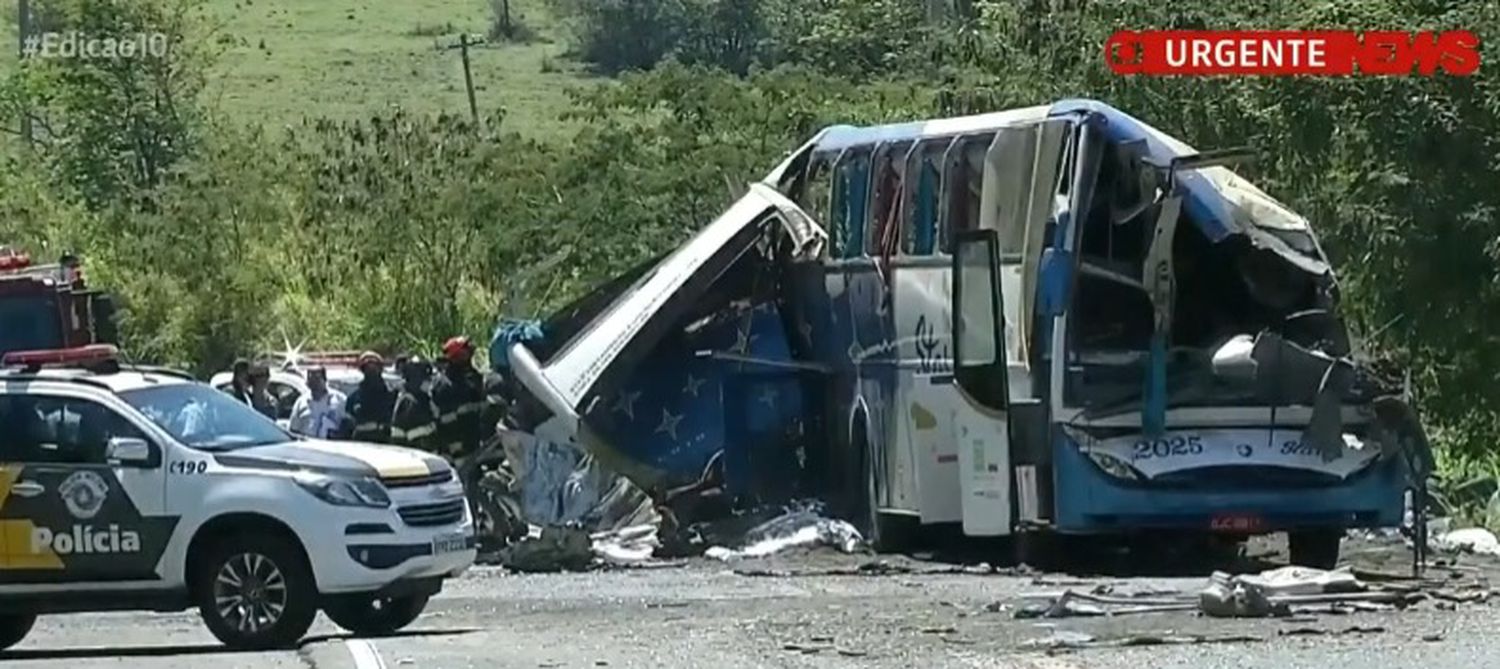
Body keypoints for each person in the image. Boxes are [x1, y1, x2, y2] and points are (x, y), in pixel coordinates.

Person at [431, 336, 488, 461]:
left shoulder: (473, 379)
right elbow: (446, 422)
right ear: (456, 356)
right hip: (456, 451)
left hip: (474, 444)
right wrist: (456, 451)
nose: (470, 354)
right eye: (466, 352)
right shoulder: (444, 384)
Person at [343, 351, 396, 443]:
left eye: (374, 368)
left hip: (385, 441)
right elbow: (348, 425)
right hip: (361, 442)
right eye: (367, 369)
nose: (371, 372)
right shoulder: (354, 398)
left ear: (380, 369)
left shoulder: (391, 395)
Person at [390, 356, 439, 452]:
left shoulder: (424, 401)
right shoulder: (408, 404)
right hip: (415, 458)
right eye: (426, 378)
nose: (428, 382)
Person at [288, 366, 347, 439]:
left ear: (324, 380)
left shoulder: (339, 400)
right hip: (307, 445)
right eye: (311, 380)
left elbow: (347, 425)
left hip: (331, 445)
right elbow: (293, 429)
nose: (314, 384)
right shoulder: (301, 402)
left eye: (317, 379)